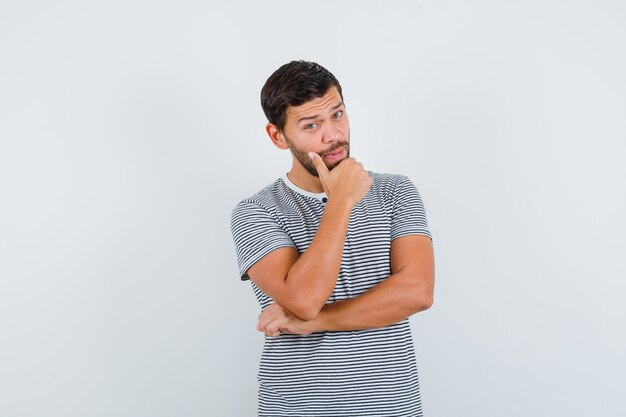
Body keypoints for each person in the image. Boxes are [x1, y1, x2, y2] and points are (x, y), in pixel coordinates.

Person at [230, 60, 435, 417]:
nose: (333, 135)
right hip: (298, 407)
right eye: (311, 125)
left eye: (337, 115)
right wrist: (341, 200)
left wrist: (317, 321)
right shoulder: (256, 211)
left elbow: (417, 292)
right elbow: (305, 299)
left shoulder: (395, 191)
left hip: (390, 406)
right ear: (278, 136)